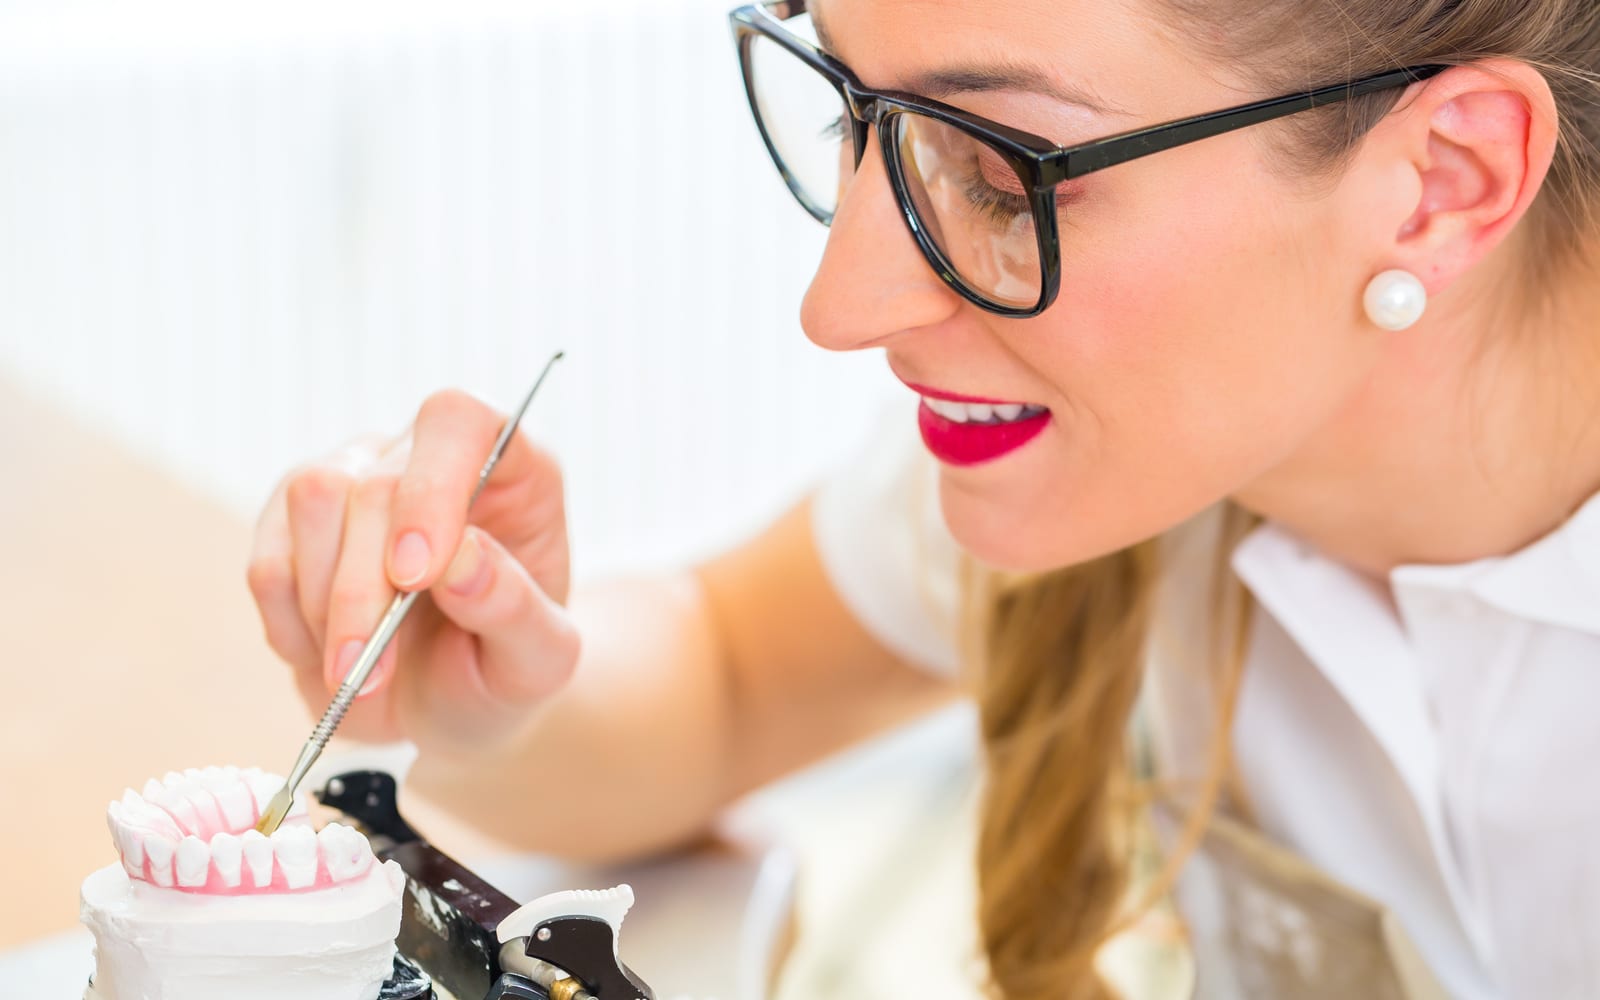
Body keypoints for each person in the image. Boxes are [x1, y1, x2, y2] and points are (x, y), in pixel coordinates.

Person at [247, 1, 1600, 997]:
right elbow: (724, 678)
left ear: (1445, 181)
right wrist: (495, 668)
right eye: (857, 114)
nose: (840, 308)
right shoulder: (1151, 464)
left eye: (1002, 170)